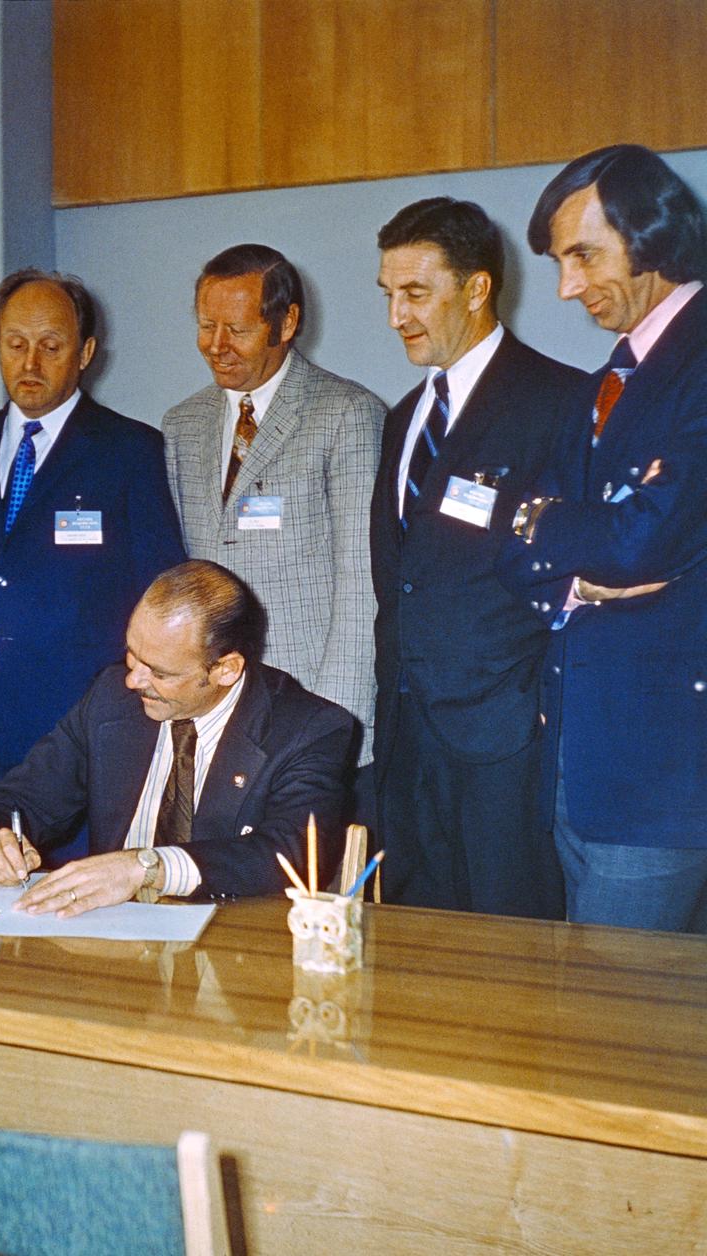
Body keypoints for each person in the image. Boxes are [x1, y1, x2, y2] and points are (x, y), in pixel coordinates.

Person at [500, 145, 707, 933]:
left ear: (651, 233)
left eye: (583, 255)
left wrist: (555, 529)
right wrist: (577, 572)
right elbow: (515, 544)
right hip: (581, 772)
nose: (566, 287)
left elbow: (639, 542)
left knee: (621, 1034)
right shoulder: (608, 380)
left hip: (662, 786)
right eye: (560, 262)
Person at [372, 197, 584, 918]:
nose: (397, 315)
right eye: (389, 295)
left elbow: (576, 576)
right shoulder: (403, 419)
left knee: (511, 948)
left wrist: (531, 709)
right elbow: (402, 576)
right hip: (407, 736)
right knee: (419, 947)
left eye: (416, 294)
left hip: (505, 740)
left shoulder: (560, 404)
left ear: (477, 287)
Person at [0, 269, 186, 796]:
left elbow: (159, 595)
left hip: (76, 727)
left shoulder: (130, 451)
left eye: (50, 346)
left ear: (85, 353)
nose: (29, 363)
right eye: (15, 344)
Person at [0, 561, 354, 914]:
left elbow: (290, 855)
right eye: (131, 655)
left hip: (232, 951)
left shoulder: (309, 729)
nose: (133, 680)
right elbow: (20, 798)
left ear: (226, 670)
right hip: (112, 941)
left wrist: (146, 866)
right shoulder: (111, 698)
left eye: (159, 672)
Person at [162, 244, 384, 785]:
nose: (216, 346)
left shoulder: (348, 415)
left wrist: (335, 727)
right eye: (205, 326)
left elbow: (362, 588)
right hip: (213, 711)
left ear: (286, 323)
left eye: (236, 329)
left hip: (308, 705)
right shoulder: (181, 425)